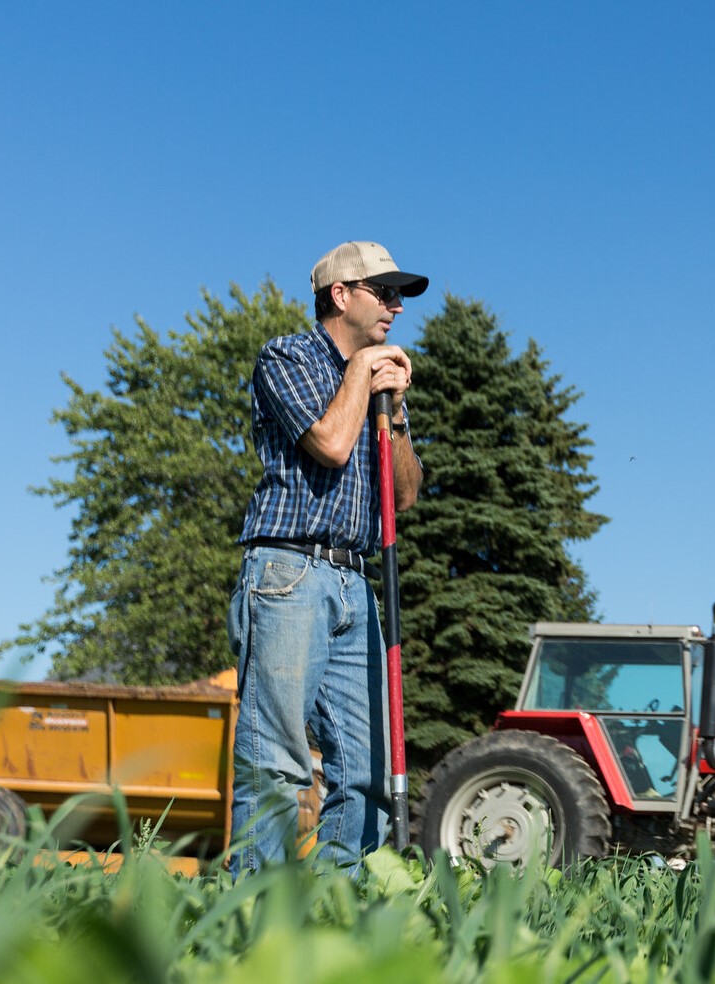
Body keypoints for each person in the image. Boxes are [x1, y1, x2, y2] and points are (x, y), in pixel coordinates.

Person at [228, 240, 426, 873]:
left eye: (400, 295)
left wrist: (393, 413)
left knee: (368, 769)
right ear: (340, 295)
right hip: (289, 571)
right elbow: (331, 445)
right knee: (278, 760)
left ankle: (340, 912)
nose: (396, 306)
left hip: (353, 581)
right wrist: (363, 377)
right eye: (384, 291)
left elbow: (406, 493)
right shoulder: (287, 358)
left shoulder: (380, 385)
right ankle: (254, 914)